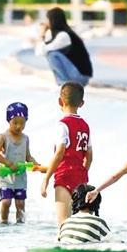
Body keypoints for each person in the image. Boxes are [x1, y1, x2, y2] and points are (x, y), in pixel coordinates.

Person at [41, 82, 92, 227]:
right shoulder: (85, 126)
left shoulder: (63, 125)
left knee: (64, 225)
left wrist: (46, 179)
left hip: (64, 178)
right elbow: (89, 156)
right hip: (81, 179)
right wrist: (82, 173)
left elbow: (59, 153)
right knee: (79, 225)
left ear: (60, 101)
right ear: (81, 103)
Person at [0, 102, 39, 224]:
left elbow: (28, 156)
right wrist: (8, 163)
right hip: (6, 176)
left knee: (20, 203)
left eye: (22, 123)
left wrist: (35, 164)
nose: (19, 126)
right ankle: (3, 222)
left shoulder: (25, 138)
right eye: (15, 123)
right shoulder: (3, 137)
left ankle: (20, 225)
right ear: (9, 120)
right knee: (6, 202)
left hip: (20, 177)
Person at [35, 7, 93, 87]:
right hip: (76, 75)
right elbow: (38, 52)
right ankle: (63, 84)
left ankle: (63, 84)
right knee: (51, 53)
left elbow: (43, 51)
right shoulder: (57, 33)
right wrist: (43, 35)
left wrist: (41, 34)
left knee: (52, 55)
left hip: (80, 77)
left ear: (53, 20)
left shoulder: (64, 35)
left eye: (48, 20)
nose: (46, 23)